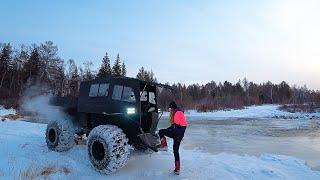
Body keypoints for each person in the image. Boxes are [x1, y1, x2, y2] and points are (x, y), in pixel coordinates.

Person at [158, 101, 188, 175]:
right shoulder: (178, 112)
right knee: (175, 151)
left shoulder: (177, 113)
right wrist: (168, 130)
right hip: (179, 135)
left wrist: (168, 131)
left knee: (161, 132)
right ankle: (177, 169)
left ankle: (164, 145)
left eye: (169, 108)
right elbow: (175, 126)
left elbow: (176, 127)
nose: (169, 110)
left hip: (177, 133)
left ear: (172, 108)